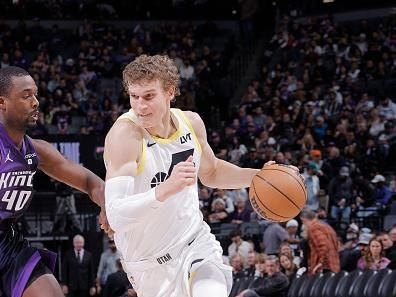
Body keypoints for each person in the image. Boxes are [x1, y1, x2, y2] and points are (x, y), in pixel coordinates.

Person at [104, 55, 298, 297]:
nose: (140, 106)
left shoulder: (191, 123)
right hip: (150, 266)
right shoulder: (125, 136)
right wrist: (163, 190)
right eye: (134, 97)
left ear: (170, 91)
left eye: (149, 96)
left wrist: (260, 177)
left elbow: (212, 171)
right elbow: (116, 215)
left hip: (194, 243)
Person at [0, 66, 110, 297]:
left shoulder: (36, 150)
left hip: (8, 243)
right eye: (26, 95)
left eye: (36, 94)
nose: (36, 102)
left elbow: (90, 181)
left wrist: (108, 204)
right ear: (2, 103)